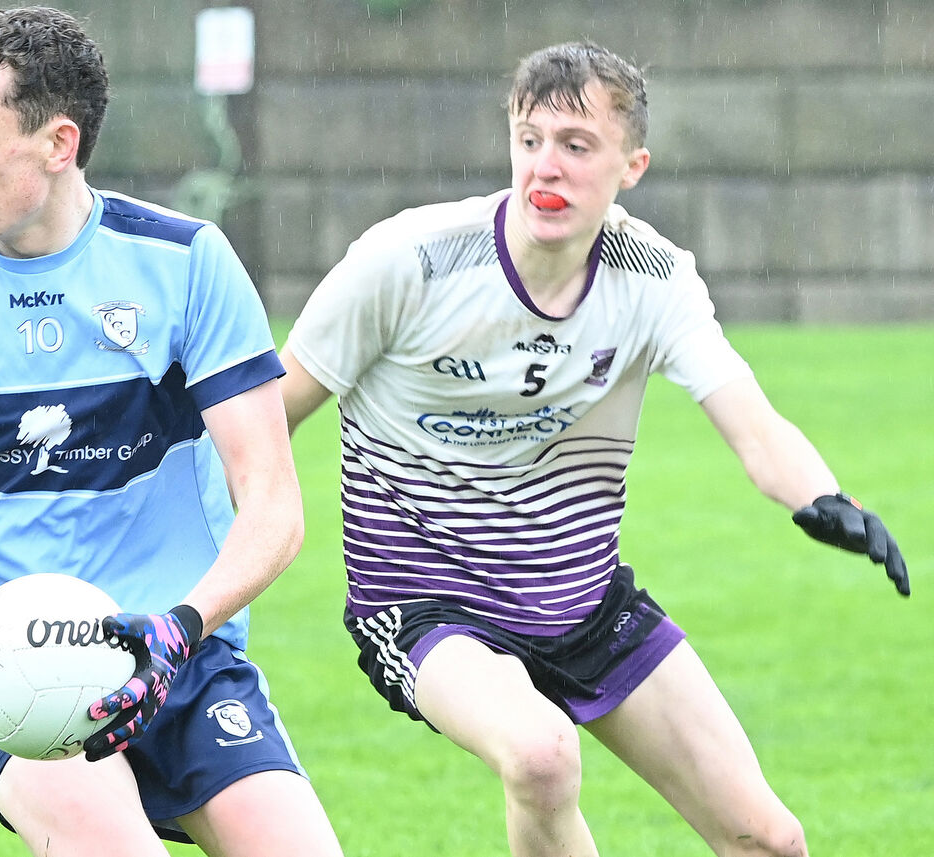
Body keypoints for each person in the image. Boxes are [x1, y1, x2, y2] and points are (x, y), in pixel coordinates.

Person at [279, 41, 909, 857]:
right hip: (425, 607)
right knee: (540, 755)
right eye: (530, 140)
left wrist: (825, 499)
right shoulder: (409, 263)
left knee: (771, 839)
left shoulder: (652, 279)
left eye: (576, 146)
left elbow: (754, 426)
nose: (547, 167)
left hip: (582, 604)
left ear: (631, 165)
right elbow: (266, 413)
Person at [0, 8, 343, 857]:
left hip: (179, 651)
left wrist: (183, 623)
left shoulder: (186, 264)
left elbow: (273, 504)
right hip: (4, 672)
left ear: (58, 142)